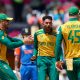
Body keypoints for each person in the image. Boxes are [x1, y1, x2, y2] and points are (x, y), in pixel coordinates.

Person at [0, 13, 32, 80]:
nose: (8, 22)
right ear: (2, 22)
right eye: (7, 21)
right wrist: (24, 41)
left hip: (3, 61)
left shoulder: (3, 33)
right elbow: (10, 45)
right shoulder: (0, 33)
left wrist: (25, 40)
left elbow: (12, 39)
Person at [31, 16, 60, 80]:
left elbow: (59, 48)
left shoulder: (56, 34)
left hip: (53, 60)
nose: (48, 25)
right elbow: (35, 47)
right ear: (42, 23)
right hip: (41, 59)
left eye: (50, 23)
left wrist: (59, 60)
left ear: (52, 23)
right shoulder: (37, 33)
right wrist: (34, 55)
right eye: (46, 23)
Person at [55, 6, 80, 80]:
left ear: (68, 15)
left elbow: (57, 45)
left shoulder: (62, 27)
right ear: (78, 14)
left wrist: (57, 60)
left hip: (69, 60)